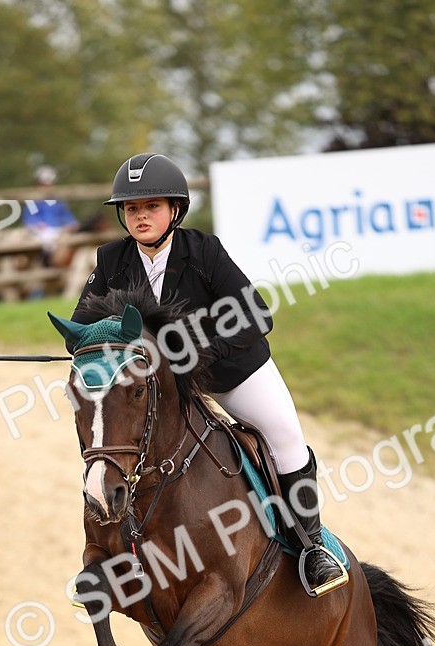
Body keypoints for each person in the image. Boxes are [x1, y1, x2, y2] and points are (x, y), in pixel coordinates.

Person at [69, 152, 346, 596]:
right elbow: (81, 327)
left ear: (175, 210)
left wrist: (198, 352)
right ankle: (123, 553)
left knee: (285, 437)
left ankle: (311, 547)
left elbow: (255, 315)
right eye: (132, 209)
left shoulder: (204, 252)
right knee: (119, 444)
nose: (141, 217)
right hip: (158, 386)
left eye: (152, 206)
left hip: (230, 371)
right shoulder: (111, 259)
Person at [22, 166, 79, 265]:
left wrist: (72, 223)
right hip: (41, 232)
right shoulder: (33, 201)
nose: (47, 187)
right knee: (45, 242)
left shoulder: (57, 201)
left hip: (58, 230)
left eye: (49, 184)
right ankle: (44, 264)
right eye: (44, 184)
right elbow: (30, 218)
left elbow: (66, 216)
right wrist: (37, 225)